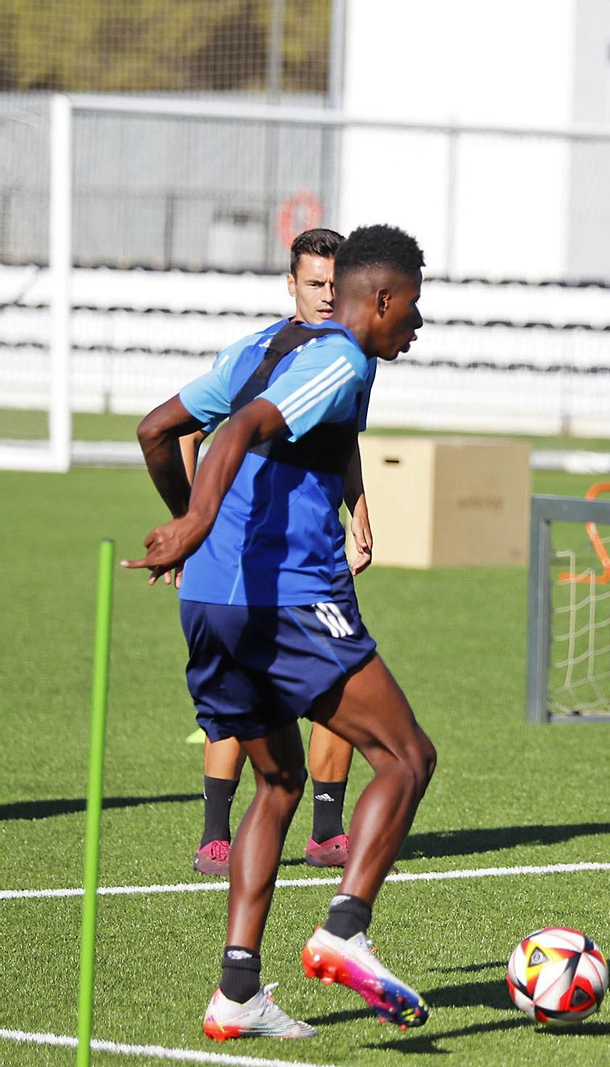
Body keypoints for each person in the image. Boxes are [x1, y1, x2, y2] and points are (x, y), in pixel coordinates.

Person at [126, 224, 435, 1039]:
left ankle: (236, 993)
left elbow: (157, 430)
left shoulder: (258, 344)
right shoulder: (339, 358)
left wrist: (196, 537)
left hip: (214, 605)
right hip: (287, 601)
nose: (418, 321)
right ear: (379, 297)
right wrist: (195, 525)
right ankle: (344, 930)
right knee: (407, 756)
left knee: (278, 782)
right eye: (413, 303)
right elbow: (239, 431)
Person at [184, 227, 366, 877]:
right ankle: (214, 834)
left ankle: (326, 830)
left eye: (333, 284)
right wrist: (189, 517)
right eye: (313, 283)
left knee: (338, 682)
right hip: (246, 555)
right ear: (291, 284)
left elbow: (338, 441)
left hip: (311, 554)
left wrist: (359, 507)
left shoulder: (346, 357)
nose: (324, 295)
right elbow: (185, 427)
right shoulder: (257, 353)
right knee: (243, 688)